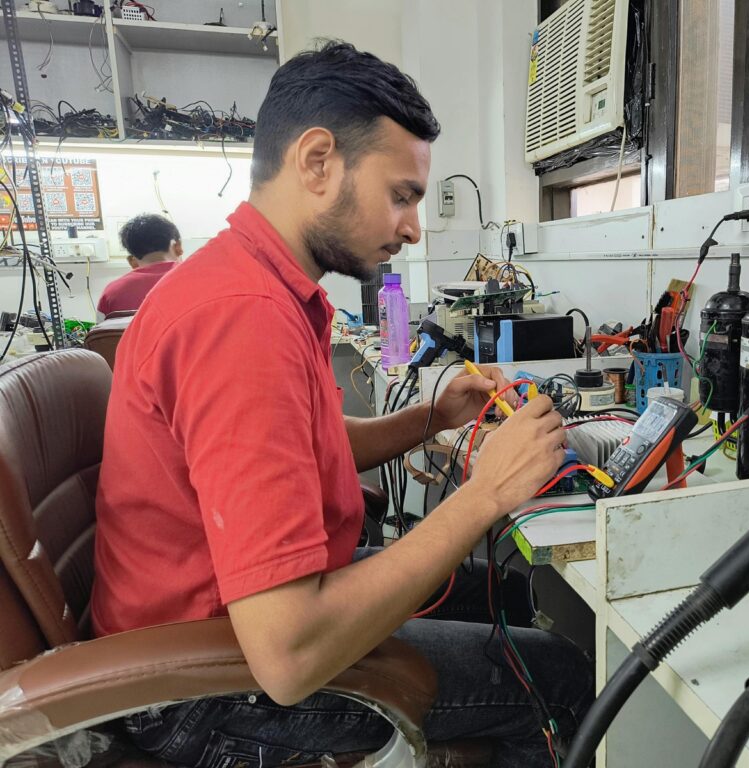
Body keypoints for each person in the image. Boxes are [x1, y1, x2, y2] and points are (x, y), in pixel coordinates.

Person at [92, 40, 593, 767]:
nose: (413, 227)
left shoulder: (259, 284)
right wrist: (487, 492)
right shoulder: (242, 320)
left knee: (506, 596)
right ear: (318, 162)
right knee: (562, 677)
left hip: (219, 623)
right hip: (203, 684)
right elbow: (289, 658)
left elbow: (305, 446)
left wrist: (431, 417)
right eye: (402, 195)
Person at [96, 213, 182, 318]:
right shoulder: (196, 280)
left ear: (132, 261)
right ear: (178, 247)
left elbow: (100, 327)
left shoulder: (112, 292)